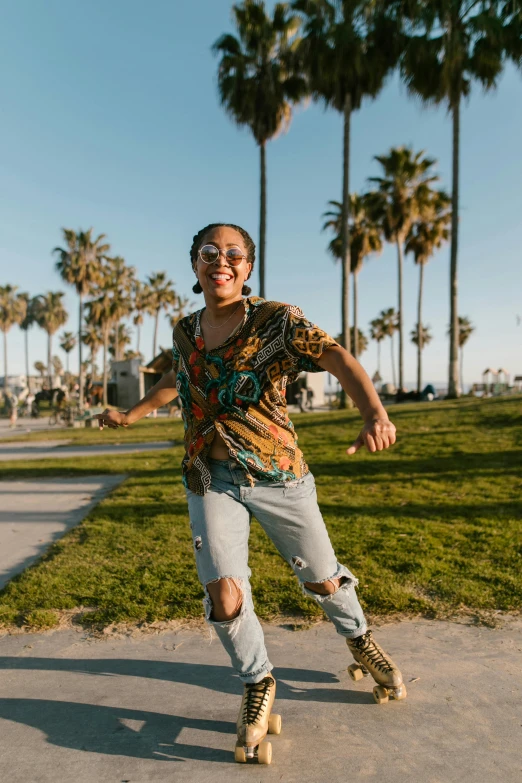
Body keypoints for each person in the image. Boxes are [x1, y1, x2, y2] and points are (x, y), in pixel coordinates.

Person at [95, 223, 406, 764]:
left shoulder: (276, 320)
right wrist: (131, 413)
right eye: (209, 253)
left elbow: (337, 358)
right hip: (209, 477)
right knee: (223, 592)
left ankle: (359, 639)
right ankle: (258, 681)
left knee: (324, 580)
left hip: (278, 476)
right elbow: (178, 380)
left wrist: (375, 413)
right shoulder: (185, 329)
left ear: (248, 266)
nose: (221, 261)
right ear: (195, 264)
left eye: (233, 254)